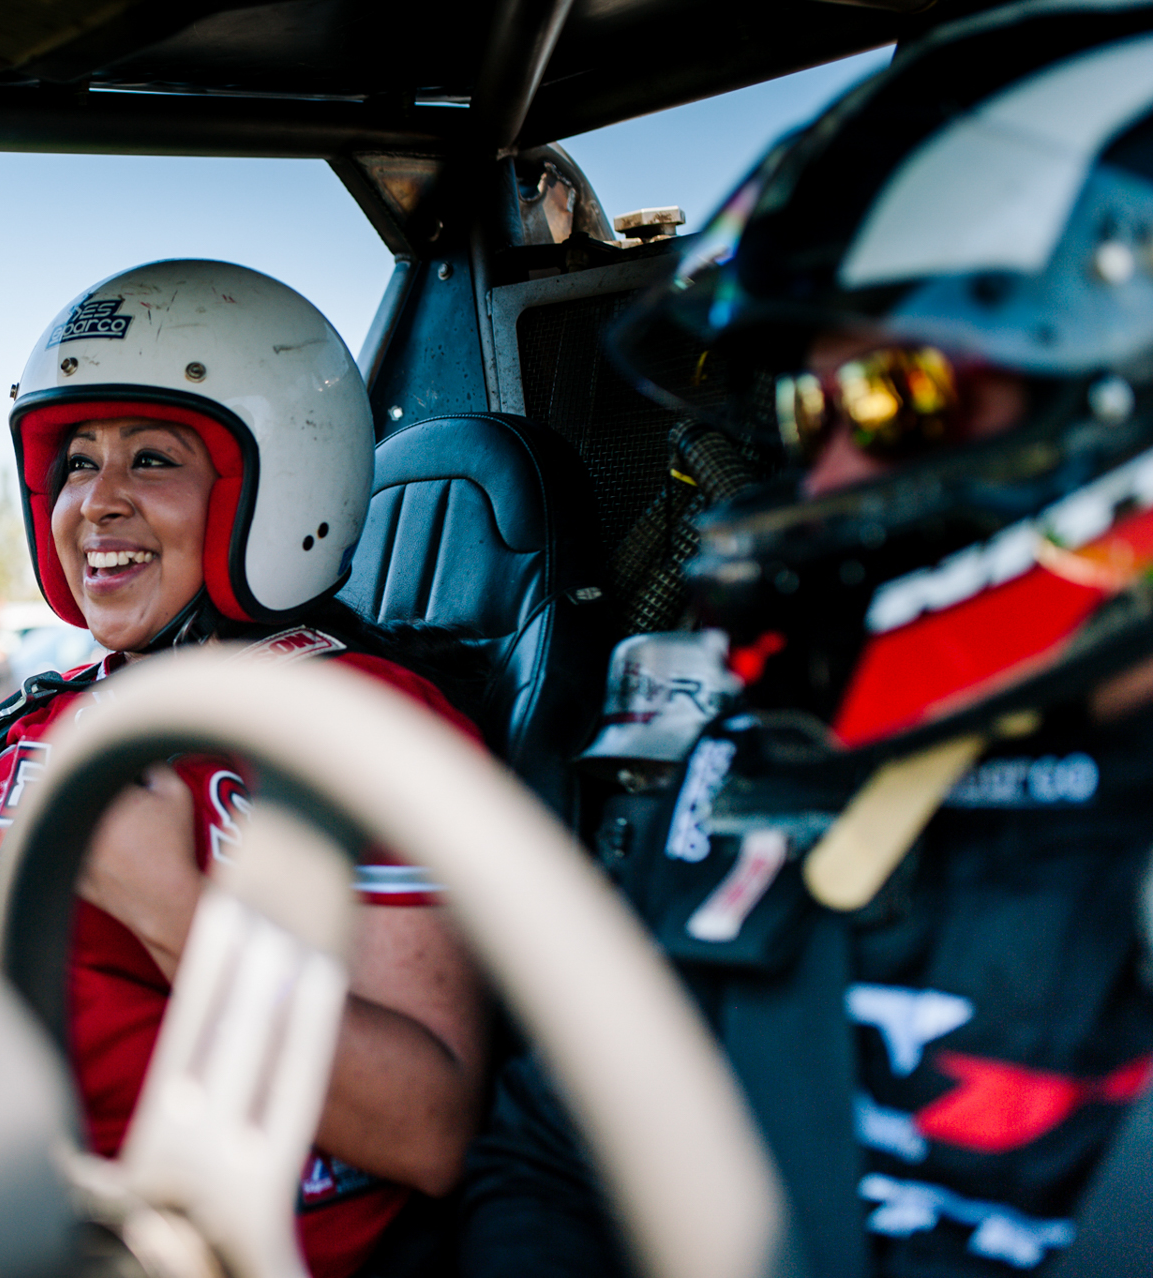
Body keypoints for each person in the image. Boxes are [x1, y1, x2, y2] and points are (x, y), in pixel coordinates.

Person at [461, 6, 1153, 1275]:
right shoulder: (751, 770)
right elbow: (555, 1153)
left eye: (896, 395)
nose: (823, 477)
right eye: (804, 406)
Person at [0, 260, 493, 1278]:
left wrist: (175, 915)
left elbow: (432, 1128)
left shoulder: (363, 731)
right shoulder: (58, 711)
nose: (93, 504)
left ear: (277, 484)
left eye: (150, 460)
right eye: (75, 463)